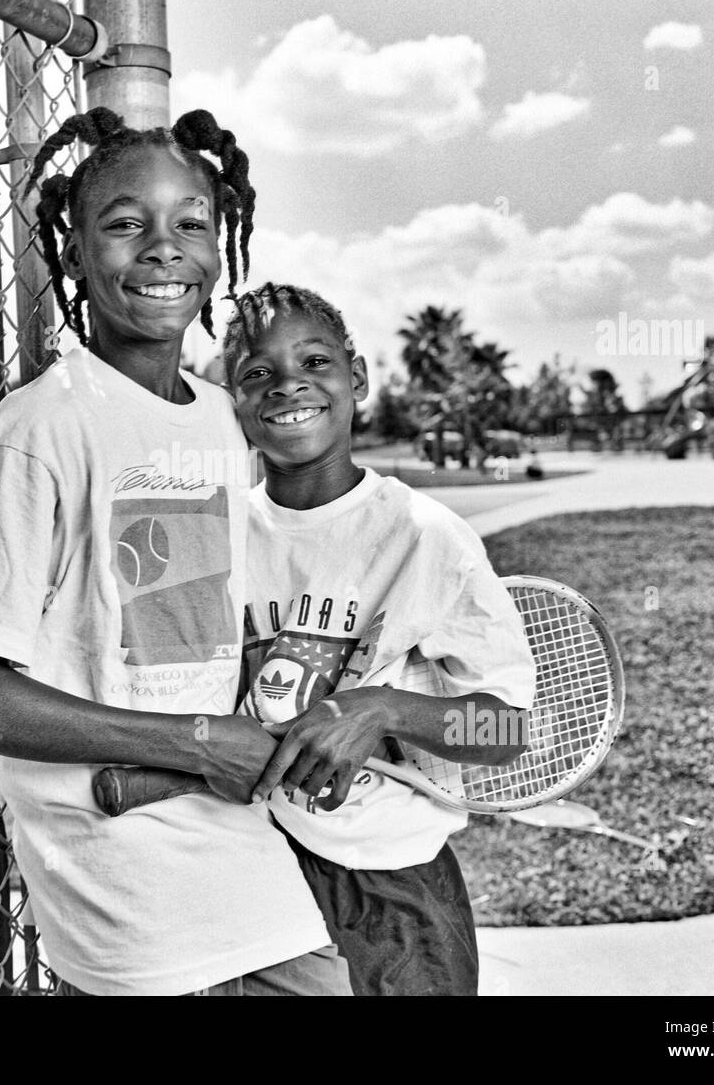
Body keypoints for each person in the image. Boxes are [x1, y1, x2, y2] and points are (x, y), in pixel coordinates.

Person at [0, 110, 349, 996]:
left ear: (220, 247)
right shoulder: (39, 433)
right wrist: (194, 742)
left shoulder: (231, 423)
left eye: (191, 223)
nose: (162, 248)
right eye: (123, 224)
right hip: (133, 909)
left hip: (248, 859)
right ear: (72, 253)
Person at [222, 283, 536, 995]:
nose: (288, 384)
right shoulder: (218, 535)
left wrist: (382, 709)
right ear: (231, 401)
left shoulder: (426, 537)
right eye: (257, 373)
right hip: (251, 869)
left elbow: (507, 728)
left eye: (314, 361)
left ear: (356, 378)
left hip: (394, 884)